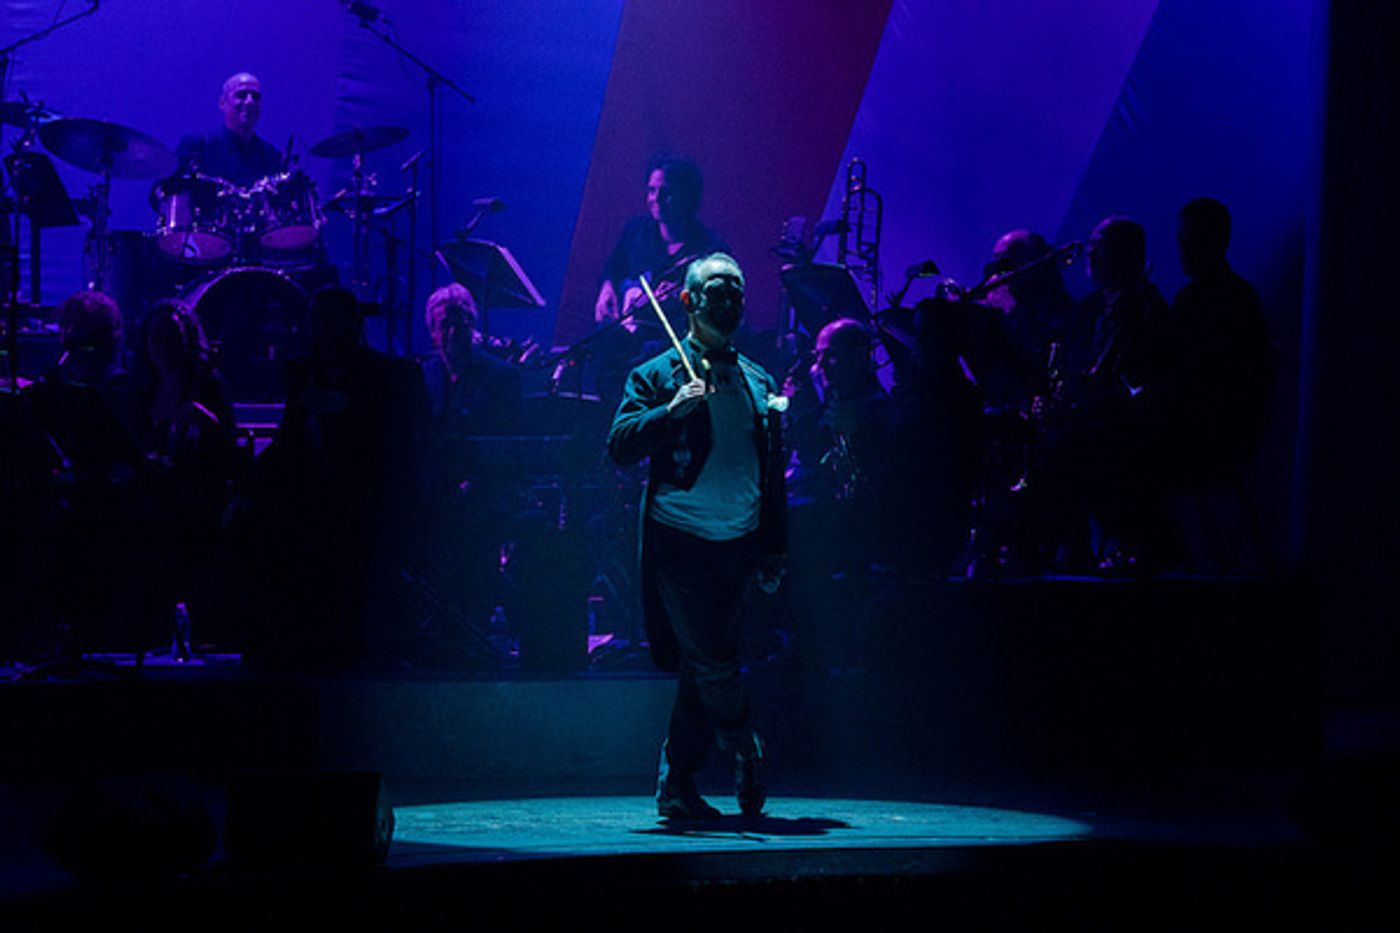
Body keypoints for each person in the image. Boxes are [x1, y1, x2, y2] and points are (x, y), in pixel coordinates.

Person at [607, 252, 786, 821]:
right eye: (716, 292)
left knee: (703, 662)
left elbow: (770, 472)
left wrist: (773, 545)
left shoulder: (759, 380)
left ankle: (677, 784)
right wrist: (670, 411)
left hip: (739, 541)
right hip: (679, 541)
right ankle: (744, 745)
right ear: (687, 302)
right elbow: (619, 445)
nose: (729, 302)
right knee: (712, 656)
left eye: (736, 291)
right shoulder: (657, 374)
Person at [595, 155, 728, 329]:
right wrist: (607, 288)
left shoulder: (710, 251)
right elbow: (614, 266)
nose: (655, 199)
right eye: (651, 190)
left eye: (666, 193)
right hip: (626, 334)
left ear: (686, 197)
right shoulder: (636, 231)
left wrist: (681, 301)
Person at [175, 73, 284, 187]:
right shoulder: (197, 147)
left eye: (255, 97)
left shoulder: (272, 158)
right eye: (241, 95)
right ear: (223, 103)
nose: (250, 101)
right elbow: (165, 191)